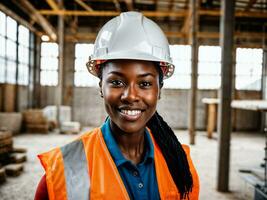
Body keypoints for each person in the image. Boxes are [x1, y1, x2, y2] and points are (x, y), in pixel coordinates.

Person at [35, 11, 199, 200]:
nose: (130, 96)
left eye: (145, 83)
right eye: (116, 82)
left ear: (159, 90)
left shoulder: (179, 162)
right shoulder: (64, 170)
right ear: (101, 87)